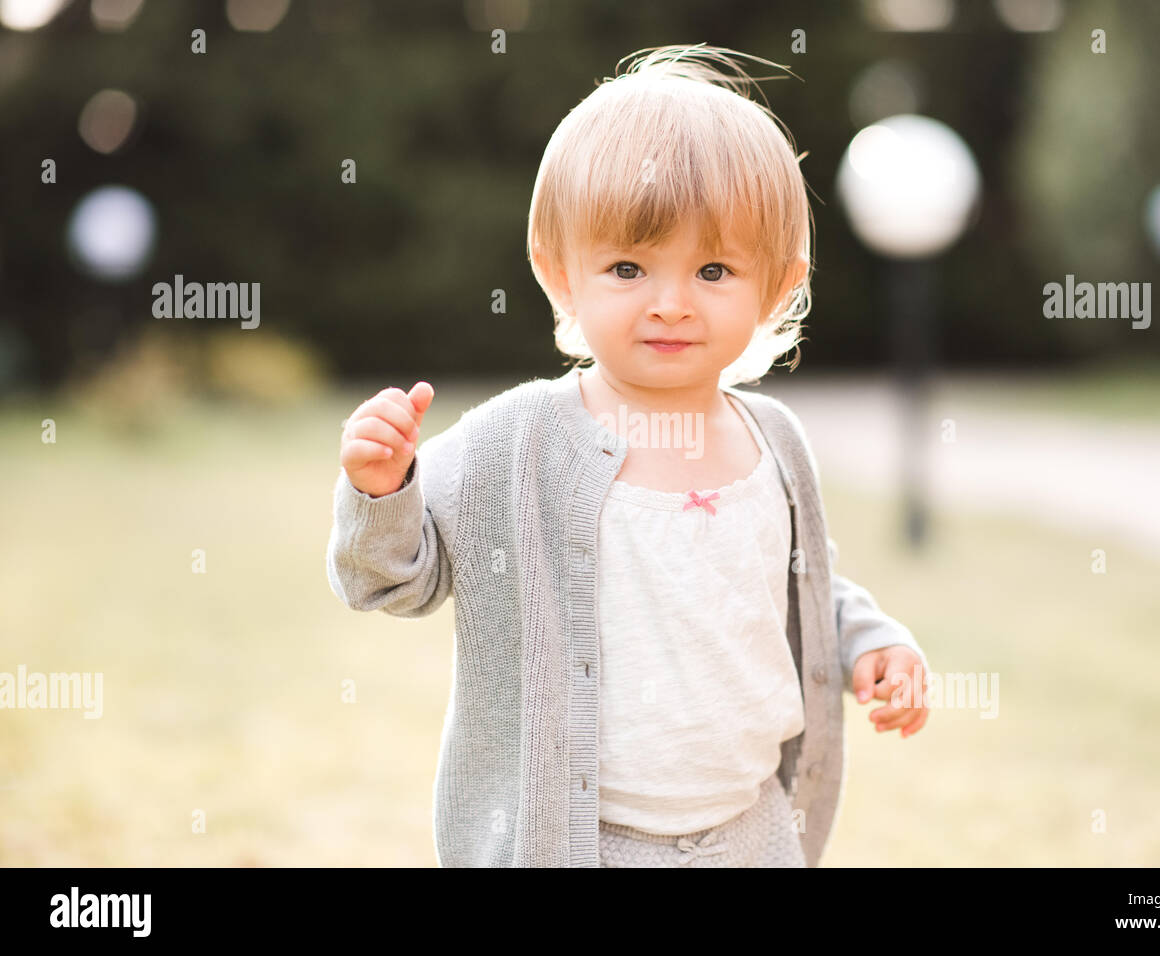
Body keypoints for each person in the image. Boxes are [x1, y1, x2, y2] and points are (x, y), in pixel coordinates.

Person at [326, 43, 930, 868]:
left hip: (751, 832)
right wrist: (382, 488)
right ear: (560, 275)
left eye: (714, 268)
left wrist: (870, 640)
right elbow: (391, 578)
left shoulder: (775, 444)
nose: (671, 303)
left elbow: (797, 586)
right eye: (628, 267)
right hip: (582, 842)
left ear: (778, 289)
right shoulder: (519, 441)